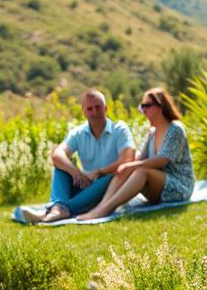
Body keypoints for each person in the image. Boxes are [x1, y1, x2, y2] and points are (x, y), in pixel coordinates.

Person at [77, 87, 194, 221]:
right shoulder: (152, 132)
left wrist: (132, 166)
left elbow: (163, 160)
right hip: (160, 187)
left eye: (146, 106)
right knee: (124, 170)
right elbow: (139, 158)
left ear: (160, 106)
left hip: (180, 187)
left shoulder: (175, 129)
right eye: (142, 106)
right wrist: (124, 166)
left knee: (140, 171)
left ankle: (106, 209)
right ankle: (100, 207)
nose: (143, 110)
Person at [22, 88, 135, 223]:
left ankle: (58, 209)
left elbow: (127, 160)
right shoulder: (78, 132)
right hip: (86, 184)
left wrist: (99, 172)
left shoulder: (120, 129)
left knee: (113, 175)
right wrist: (76, 173)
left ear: (106, 108)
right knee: (61, 166)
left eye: (98, 107)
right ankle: (59, 208)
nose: (94, 112)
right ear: (83, 112)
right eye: (89, 109)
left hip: (110, 187)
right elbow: (57, 154)